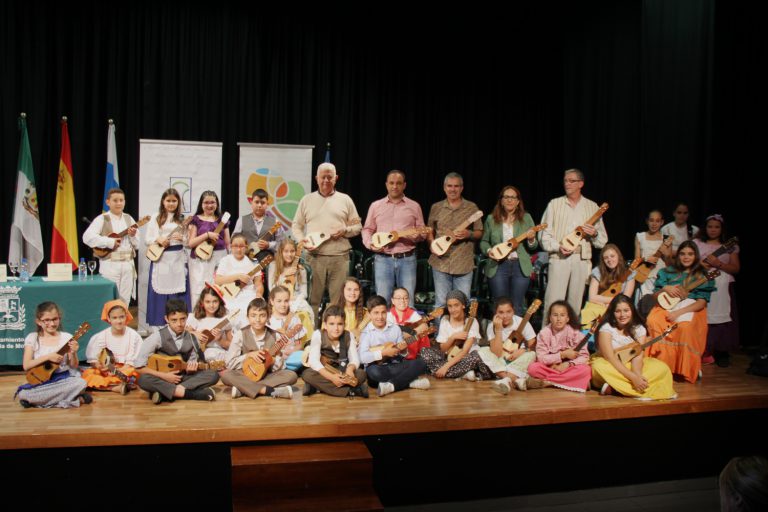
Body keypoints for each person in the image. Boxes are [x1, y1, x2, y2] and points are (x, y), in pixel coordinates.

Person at [291, 163, 362, 318]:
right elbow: (296, 226)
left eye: (330, 177)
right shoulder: (306, 200)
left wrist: (345, 230)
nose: (326, 180)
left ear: (336, 179)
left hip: (339, 258)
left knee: (337, 302)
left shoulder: (345, 200)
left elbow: (357, 225)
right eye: (323, 177)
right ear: (316, 178)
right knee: (312, 301)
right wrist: (303, 241)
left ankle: (334, 339)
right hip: (314, 257)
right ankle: (311, 337)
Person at [540, 169, 608, 316]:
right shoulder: (554, 204)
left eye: (571, 181)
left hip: (581, 260)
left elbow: (602, 241)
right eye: (565, 181)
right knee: (553, 302)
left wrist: (594, 233)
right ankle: (547, 338)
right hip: (559, 258)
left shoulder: (592, 207)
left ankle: (572, 338)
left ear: (581, 184)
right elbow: (544, 235)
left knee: (575, 304)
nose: (567, 184)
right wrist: (559, 246)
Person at [646, 240, 714, 383]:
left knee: (684, 327)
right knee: (654, 320)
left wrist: (679, 313)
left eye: (690, 254)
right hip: (667, 306)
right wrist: (665, 289)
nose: (686, 257)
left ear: (696, 256)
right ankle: (660, 365)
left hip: (691, 308)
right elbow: (654, 296)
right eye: (682, 254)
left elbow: (701, 302)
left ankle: (686, 367)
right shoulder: (666, 272)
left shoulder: (701, 275)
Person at [591, 295, 677, 400]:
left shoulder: (639, 329)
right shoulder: (607, 328)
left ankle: (618, 388)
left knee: (662, 368)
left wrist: (637, 375)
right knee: (597, 366)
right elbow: (610, 358)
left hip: (632, 364)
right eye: (618, 311)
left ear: (632, 311)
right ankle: (632, 388)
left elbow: (638, 355)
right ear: (612, 313)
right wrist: (633, 378)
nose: (622, 315)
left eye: (626, 310)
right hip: (610, 363)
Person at [135, 299, 220, 404]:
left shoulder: (193, 339)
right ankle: (191, 394)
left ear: (187, 317)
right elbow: (139, 367)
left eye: (183, 319)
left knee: (213, 375)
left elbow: (192, 365)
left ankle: (164, 392)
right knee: (143, 379)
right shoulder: (157, 337)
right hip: (162, 377)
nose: (179, 324)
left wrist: (190, 370)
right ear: (166, 319)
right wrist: (164, 376)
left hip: (183, 378)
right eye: (174, 320)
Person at [362, 170, 426, 307]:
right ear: (386, 185)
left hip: (407, 259)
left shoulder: (414, 206)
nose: (395, 186)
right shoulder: (376, 206)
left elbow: (423, 232)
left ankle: (407, 329)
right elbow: (367, 229)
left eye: (398, 183)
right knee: (382, 301)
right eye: (391, 183)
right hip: (383, 259)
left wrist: (418, 236)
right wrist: (370, 244)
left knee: (407, 302)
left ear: (404, 185)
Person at [16, 302, 90, 408]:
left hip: (63, 379)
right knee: (23, 394)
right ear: (38, 321)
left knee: (80, 383)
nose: (52, 324)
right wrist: (48, 356)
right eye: (47, 320)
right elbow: (26, 365)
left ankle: (40, 402)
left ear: (59, 319)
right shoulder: (32, 338)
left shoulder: (66, 337)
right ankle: (74, 400)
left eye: (55, 319)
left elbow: (73, 366)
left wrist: (73, 353)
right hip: (41, 382)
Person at [221, 298, 297, 399]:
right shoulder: (240, 334)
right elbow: (229, 363)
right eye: (253, 315)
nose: (257, 320)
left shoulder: (275, 336)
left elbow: (282, 366)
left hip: (267, 375)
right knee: (226, 375)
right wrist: (248, 355)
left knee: (291, 375)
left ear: (268, 317)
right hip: (245, 374)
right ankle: (268, 391)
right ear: (247, 317)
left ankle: (243, 389)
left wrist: (273, 360)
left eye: (262, 315)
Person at [426, 172, 483, 308]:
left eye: (456, 186)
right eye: (449, 186)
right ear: (444, 187)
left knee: (463, 303)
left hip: (463, 263)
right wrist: (431, 244)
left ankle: (462, 330)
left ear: (461, 188)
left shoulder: (471, 207)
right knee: (441, 303)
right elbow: (429, 230)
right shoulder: (436, 207)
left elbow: (479, 233)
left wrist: (468, 234)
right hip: (440, 263)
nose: (453, 189)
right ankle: (441, 330)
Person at [480, 186, 539, 314]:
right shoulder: (491, 219)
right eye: (506, 197)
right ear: (501, 200)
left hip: (520, 266)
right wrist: (490, 250)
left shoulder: (527, 218)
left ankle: (514, 334)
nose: (509, 200)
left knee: (517, 306)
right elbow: (484, 242)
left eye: (513, 197)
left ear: (518, 201)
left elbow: (533, 247)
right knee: (500, 305)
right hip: (498, 266)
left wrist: (531, 239)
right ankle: (499, 333)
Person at [358, 295, 430, 397]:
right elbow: (362, 357)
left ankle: (392, 386)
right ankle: (409, 382)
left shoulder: (395, 329)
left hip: (395, 366)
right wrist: (384, 353)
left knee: (422, 363)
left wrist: (403, 350)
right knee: (373, 373)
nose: (380, 317)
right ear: (369, 314)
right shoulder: (366, 333)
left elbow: (402, 356)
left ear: (387, 313)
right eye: (376, 313)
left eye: (383, 312)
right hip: (378, 369)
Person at [694, 214, 740, 367]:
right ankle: (703, 351)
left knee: (722, 319)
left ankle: (721, 352)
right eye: (710, 226)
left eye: (716, 227)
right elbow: (686, 264)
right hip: (701, 285)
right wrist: (699, 264)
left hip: (723, 286)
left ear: (722, 229)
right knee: (703, 317)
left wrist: (718, 263)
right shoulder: (697, 243)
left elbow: (735, 268)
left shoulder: (729, 246)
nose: (713, 230)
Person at [419, 290, 494, 381]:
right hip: (449, 357)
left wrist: (445, 367)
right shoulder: (445, 320)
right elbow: (443, 349)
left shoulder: (471, 322)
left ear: (463, 305)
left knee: (477, 355)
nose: (453, 309)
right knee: (424, 351)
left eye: (456, 305)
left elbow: (464, 351)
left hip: (467, 358)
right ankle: (462, 374)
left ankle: (445, 372)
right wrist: (453, 337)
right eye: (450, 306)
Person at [83, 187, 138, 305]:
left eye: (121, 200)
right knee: (110, 300)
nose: (119, 203)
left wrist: (133, 236)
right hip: (110, 265)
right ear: (108, 202)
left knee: (125, 300)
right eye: (115, 200)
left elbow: (137, 245)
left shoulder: (129, 219)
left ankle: (122, 323)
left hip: (128, 265)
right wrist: (109, 242)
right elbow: (87, 237)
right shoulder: (102, 219)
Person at [145, 188, 191, 326]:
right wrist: (158, 239)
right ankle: (159, 324)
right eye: (168, 200)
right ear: (163, 202)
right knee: (159, 292)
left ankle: (179, 324)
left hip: (177, 259)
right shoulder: (156, 217)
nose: (171, 203)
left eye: (174, 201)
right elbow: (148, 239)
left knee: (178, 292)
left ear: (178, 202)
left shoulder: (182, 219)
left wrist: (182, 238)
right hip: (161, 258)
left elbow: (188, 241)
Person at [301, 305, 369, 398]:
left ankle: (317, 388)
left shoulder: (348, 336)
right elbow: (314, 361)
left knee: (361, 374)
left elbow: (354, 359)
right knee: (307, 374)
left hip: (342, 369)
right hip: (325, 369)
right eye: (331, 324)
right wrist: (332, 378)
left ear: (344, 324)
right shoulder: (318, 334)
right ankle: (352, 391)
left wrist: (350, 369)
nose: (336, 328)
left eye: (340, 324)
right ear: (325, 325)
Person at [524, 301, 591, 393]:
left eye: (562, 315)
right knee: (533, 368)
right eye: (555, 315)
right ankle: (575, 382)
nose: (559, 319)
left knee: (585, 370)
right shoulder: (544, 333)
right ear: (550, 318)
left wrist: (568, 364)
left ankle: (547, 383)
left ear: (567, 318)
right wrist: (562, 355)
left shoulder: (576, 334)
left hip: (568, 368)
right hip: (550, 368)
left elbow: (584, 356)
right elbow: (541, 358)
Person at [481, 297, 537, 395]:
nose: (505, 316)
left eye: (508, 312)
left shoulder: (522, 322)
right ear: (496, 313)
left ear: (513, 311)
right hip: (500, 360)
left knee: (532, 354)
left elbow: (533, 346)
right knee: (483, 350)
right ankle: (514, 379)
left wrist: (523, 350)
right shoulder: (492, 326)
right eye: (501, 312)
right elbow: (497, 353)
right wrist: (498, 329)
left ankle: (505, 379)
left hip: (518, 361)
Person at [82, 299, 141, 394]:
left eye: (121, 317)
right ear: (109, 319)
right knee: (88, 374)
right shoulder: (101, 336)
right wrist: (100, 367)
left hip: (124, 369)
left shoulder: (133, 336)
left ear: (126, 317)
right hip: (106, 370)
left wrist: (117, 370)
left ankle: (112, 385)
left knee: (134, 373)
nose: (119, 321)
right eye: (115, 318)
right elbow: (94, 360)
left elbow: (131, 363)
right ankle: (115, 387)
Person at [214, 233, 265, 328]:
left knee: (254, 308)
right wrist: (237, 276)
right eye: (235, 246)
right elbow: (218, 280)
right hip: (228, 294)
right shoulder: (225, 260)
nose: (238, 249)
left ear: (246, 247)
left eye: (241, 246)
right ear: (231, 247)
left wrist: (258, 294)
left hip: (249, 293)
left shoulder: (253, 262)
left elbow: (258, 284)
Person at [187, 190, 230, 302]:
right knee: (199, 288)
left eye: (212, 202)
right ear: (201, 204)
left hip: (220, 257)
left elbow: (227, 242)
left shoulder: (222, 220)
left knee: (218, 287)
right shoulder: (195, 219)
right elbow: (191, 243)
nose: (210, 205)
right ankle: (199, 316)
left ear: (217, 204)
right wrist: (207, 235)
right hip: (200, 260)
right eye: (206, 202)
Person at [580, 244, 636, 328]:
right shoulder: (598, 271)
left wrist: (610, 304)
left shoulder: (628, 273)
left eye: (612, 256)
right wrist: (607, 302)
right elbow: (592, 297)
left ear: (618, 256)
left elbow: (626, 298)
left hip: (618, 307)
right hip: (599, 306)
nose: (609, 260)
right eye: (606, 258)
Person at [267, 237, 314, 323]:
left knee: (303, 316)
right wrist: (284, 275)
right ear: (281, 252)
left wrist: (295, 303)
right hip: (279, 299)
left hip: (296, 299)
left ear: (296, 252)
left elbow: (304, 293)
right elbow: (272, 289)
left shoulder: (301, 269)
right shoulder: (273, 266)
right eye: (286, 251)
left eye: (292, 251)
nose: (289, 254)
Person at [186, 283, 234, 363]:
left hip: (218, 353)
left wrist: (220, 340)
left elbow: (231, 345)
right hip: (199, 353)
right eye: (207, 302)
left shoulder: (224, 320)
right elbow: (183, 334)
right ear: (202, 302)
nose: (211, 305)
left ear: (220, 302)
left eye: (215, 301)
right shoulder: (194, 318)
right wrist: (195, 333)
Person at [634, 209, 673, 301]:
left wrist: (667, 255)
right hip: (645, 276)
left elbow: (670, 264)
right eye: (651, 220)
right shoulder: (640, 236)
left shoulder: (666, 239)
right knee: (644, 305)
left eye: (657, 221)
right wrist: (645, 259)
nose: (654, 224)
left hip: (661, 278)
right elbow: (636, 260)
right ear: (647, 221)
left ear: (662, 222)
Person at [232, 188, 281, 260]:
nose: (259, 205)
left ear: (267, 204)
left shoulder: (275, 222)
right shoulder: (241, 220)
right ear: (251, 202)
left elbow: (282, 243)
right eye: (257, 202)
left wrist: (269, 245)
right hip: (246, 260)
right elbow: (234, 240)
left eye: (263, 202)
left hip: (267, 262)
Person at [267, 285, 306, 373]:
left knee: (302, 355)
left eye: (286, 301)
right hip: (273, 356)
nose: (283, 305)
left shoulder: (295, 319)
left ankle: (286, 368)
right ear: (272, 301)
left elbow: (299, 345)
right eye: (279, 301)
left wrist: (291, 351)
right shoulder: (268, 320)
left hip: (290, 356)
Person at [387, 287, 432, 360]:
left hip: (411, 354)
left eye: (405, 298)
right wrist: (412, 332)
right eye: (398, 298)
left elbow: (424, 327)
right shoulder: (388, 315)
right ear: (392, 301)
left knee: (421, 335)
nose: (402, 300)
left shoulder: (413, 314)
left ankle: (422, 358)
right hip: (391, 352)